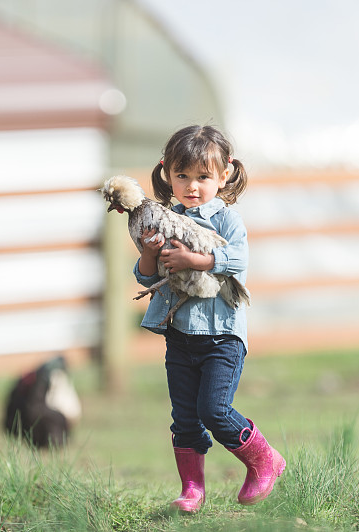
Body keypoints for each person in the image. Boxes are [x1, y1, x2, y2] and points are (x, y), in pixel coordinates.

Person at [133, 125, 285, 513]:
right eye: (182, 176)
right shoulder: (166, 219)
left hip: (222, 337)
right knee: (184, 417)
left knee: (213, 410)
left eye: (203, 176)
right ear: (166, 172)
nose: (192, 186)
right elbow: (149, 277)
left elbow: (237, 260)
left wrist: (196, 259)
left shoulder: (228, 221)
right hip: (180, 336)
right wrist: (151, 254)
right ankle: (192, 490)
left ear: (224, 174)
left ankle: (264, 460)